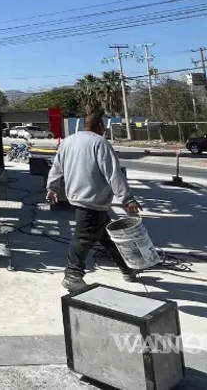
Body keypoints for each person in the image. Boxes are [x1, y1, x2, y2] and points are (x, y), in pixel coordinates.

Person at [46, 110, 142, 292]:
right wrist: (127, 199)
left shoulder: (69, 141)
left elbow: (56, 167)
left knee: (109, 237)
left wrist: (52, 188)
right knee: (82, 238)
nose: (105, 130)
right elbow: (113, 173)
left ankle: (127, 269)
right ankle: (72, 275)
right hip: (92, 199)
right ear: (99, 126)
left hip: (79, 197)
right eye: (104, 127)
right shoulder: (99, 142)